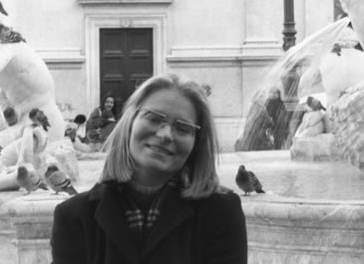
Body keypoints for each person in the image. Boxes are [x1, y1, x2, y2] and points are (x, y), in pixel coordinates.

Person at [51, 73, 247, 264]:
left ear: (197, 142)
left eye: (183, 128)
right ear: (130, 122)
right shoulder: (74, 217)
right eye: (153, 118)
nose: (166, 134)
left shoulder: (221, 213)